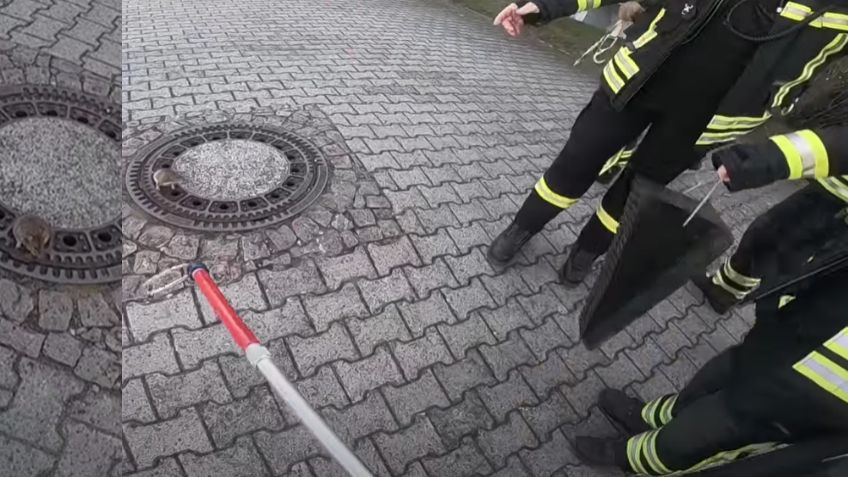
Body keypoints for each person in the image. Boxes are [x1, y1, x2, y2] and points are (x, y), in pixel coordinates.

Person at [488, 0, 848, 288]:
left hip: (704, 120)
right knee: (577, 161)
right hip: (638, 81)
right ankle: (524, 226)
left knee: (635, 192)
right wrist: (545, 7)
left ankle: (587, 250)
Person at [571, 142, 848, 475]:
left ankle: (633, 458)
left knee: (725, 420)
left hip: (828, 383)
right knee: (724, 371)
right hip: (814, 325)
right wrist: (770, 158)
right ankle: (653, 417)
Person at [693, 124, 848, 313]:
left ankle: (735, 297)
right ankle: (727, 291)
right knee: (785, 246)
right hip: (836, 200)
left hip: (834, 200)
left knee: (772, 239)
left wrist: (751, 161)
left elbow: (831, 146)